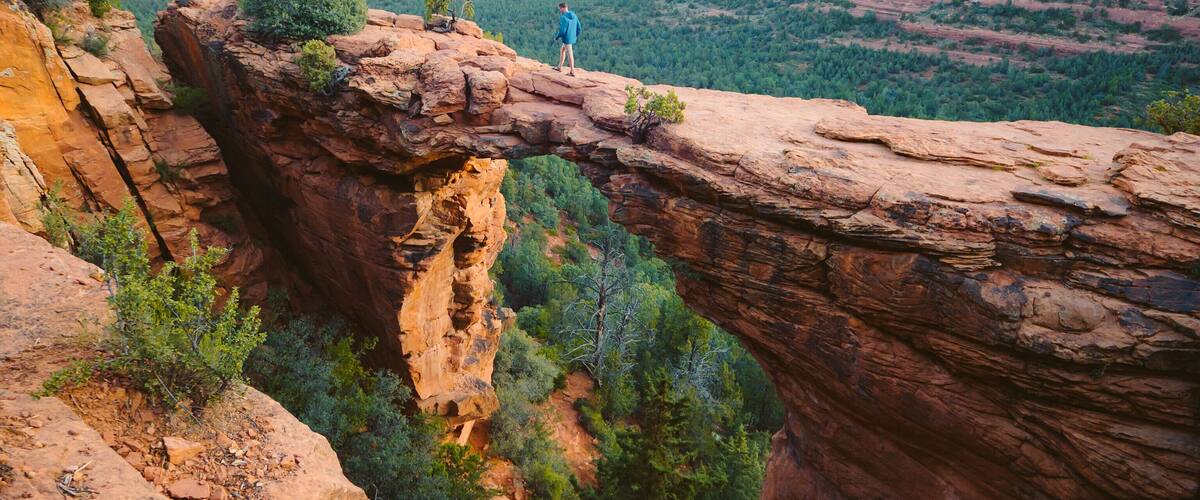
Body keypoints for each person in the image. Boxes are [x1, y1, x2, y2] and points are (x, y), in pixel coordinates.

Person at [554, 3, 581, 76]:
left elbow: (562, 30)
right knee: (562, 49)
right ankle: (559, 67)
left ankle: (572, 72)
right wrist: (575, 36)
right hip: (571, 37)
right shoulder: (574, 15)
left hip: (567, 38)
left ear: (562, 8)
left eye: (560, 9)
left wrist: (557, 37)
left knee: (569, 53)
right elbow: (579, 27)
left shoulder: (564, 17)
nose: (560, 10)